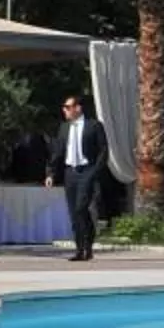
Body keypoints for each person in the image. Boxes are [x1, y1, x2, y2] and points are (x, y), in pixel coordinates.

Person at [52, 91, 108, 261]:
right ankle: (80, 249)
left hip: (87, 171)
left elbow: (103, 151)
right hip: (70, 173)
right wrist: (51, 173)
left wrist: (95, 172)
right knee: (74, 212)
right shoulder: (64, 128)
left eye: (68, 107)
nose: (65, 110)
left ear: (78, 108)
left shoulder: (94, 126)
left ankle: (87, 245)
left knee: (81, 208)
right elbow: (58, 152)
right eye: (64, 107)